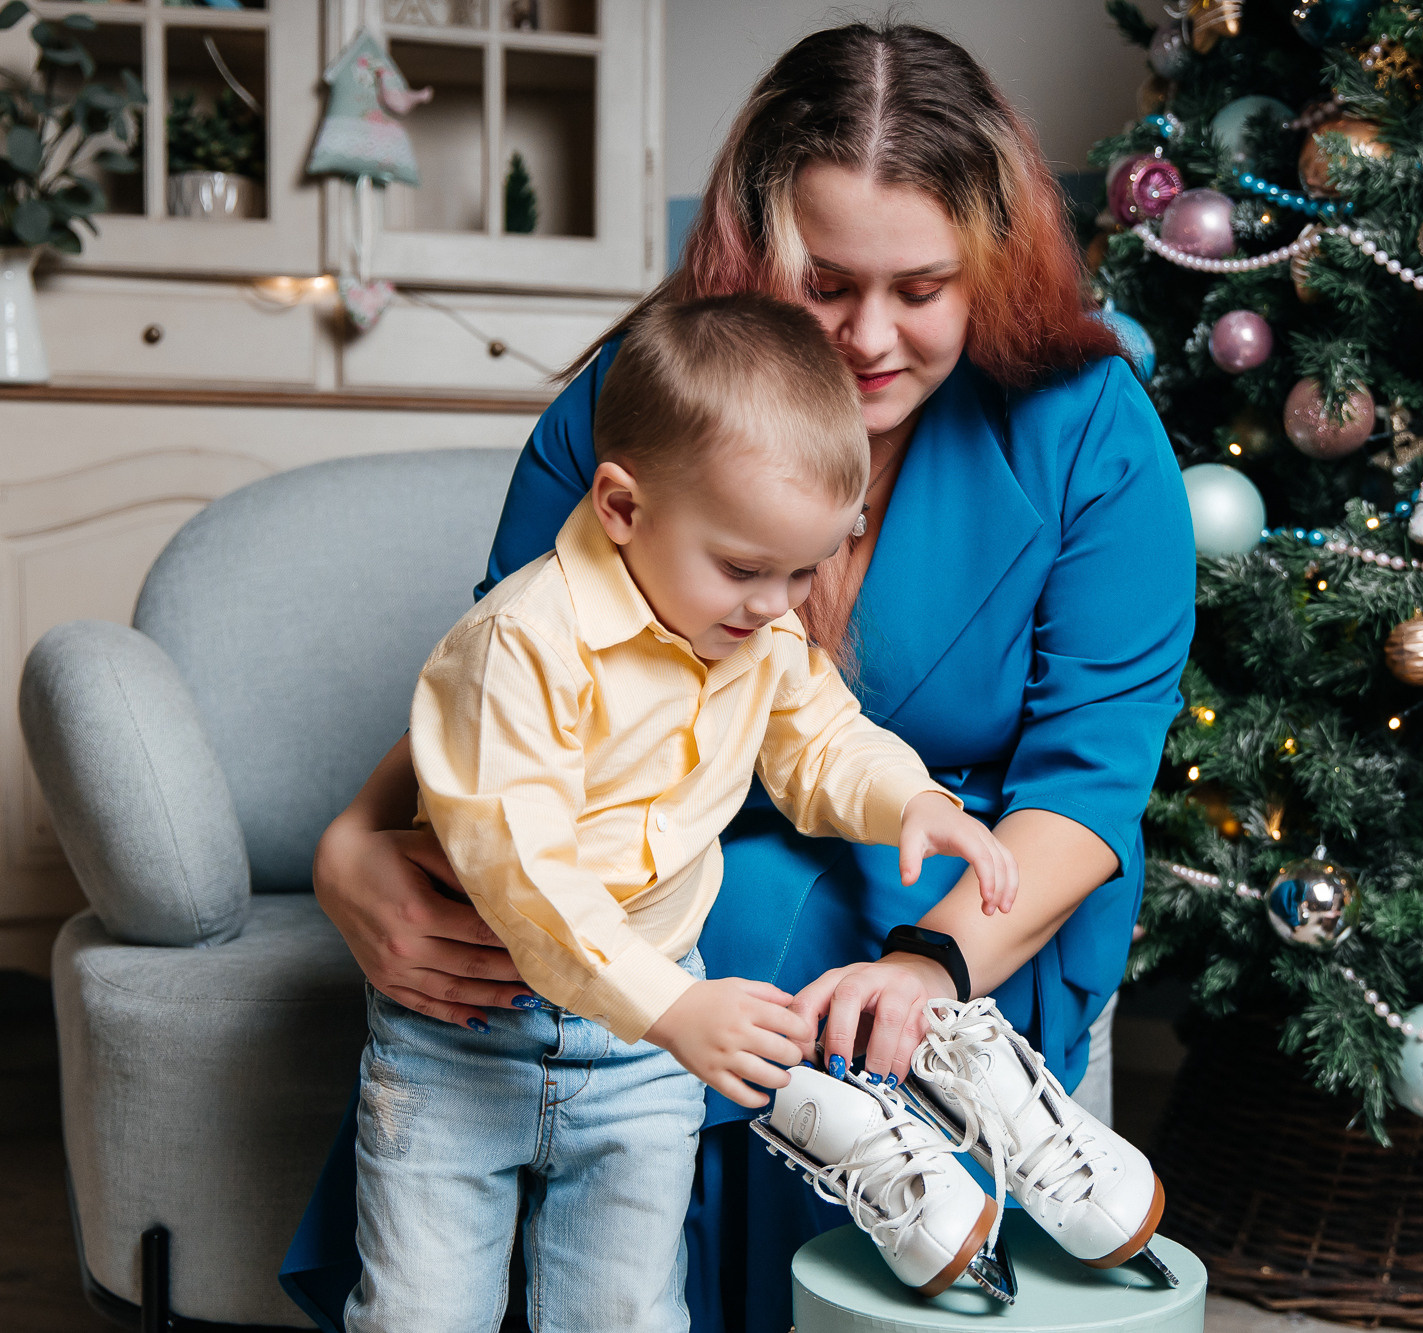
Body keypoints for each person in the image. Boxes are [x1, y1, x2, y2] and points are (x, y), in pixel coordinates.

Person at [284, 22, 1196, 1333]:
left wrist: (937, 964)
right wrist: (349, 847)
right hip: (656, 864)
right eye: (826, 282)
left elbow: (1088, 786)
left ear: (990, 263)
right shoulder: (637, 403)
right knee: (662, 931)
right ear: (757, 253)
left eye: (923, 288)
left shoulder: (1090, 430)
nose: (870, 338)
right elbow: (520, 680)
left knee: (745, 925)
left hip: (970, 902)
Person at [346, 293, 1018, 1332]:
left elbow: (822, 741)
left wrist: (914, 801)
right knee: (419, 1311)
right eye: (745, 568)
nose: (774, 604)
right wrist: (669, 1006)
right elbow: (526, 876)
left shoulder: (761, 633)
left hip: (642, 1053)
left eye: (805, 569)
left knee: (624, 1308)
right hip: (467, 1033)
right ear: (621, 507)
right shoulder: (519, 648)